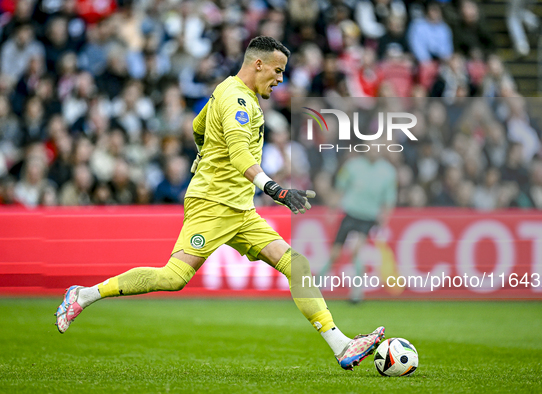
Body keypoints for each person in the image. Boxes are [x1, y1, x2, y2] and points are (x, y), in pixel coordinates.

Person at [54, 36, 384, 370]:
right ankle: (84, 294)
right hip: (212, 205)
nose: (281, 79)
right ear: (258, 64)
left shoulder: (226, 91)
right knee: (173, 278)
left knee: (296, 265)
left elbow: (198, 127)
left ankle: (341, 345)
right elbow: (240, 153)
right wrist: (275, 189)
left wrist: (207, 151)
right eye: (278, 70)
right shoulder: (238, 100)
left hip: (240, 209)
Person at [318, 147, 397, 303]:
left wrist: (384, 219)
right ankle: (315, 288)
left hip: (368, 217)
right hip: (350, 213)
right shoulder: (353, 165)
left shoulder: (388, 172)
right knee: (335, 254)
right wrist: (333, 209)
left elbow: (389, 199)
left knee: (356, 251)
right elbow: (340, 188)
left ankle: (356, 294)